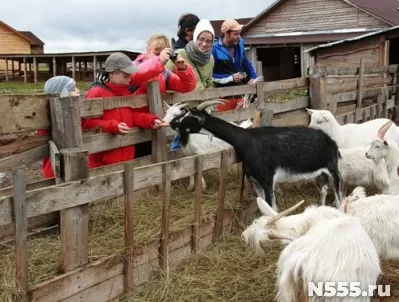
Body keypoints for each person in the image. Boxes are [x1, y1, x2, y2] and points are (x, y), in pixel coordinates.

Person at [83, 52, 167, 168]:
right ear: (112, 73)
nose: (129, 79)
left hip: (126, 157)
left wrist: (151, 120)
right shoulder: (96, 93)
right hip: (101, 161)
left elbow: (132, 115)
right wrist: (112, 126)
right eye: (126, 76)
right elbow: (87, 124)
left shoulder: (125, 92)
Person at [131, 33, 197, 157]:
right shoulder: (135, 65)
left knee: (151, 158)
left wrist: (182, 69)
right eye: (156, 52)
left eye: (163, 52)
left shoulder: (164, 73)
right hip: (132, 124)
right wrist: (159, 61)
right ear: (147, 50)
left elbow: (186, 87)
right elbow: (134, 77)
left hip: (153, 123)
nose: (160, 56)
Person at [166, 19, 215, 151]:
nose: (204, 44)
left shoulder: (210, 58)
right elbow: (167, 77)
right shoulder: (181, 54)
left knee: (195, 142)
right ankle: (174, 163)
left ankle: (192, 167)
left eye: (208, 41)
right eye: (201, 39)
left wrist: (209, 102)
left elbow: (209, 81)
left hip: (199, 109)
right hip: (183, 107)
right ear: (195, 37)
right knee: (180, 140)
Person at [38, 76, 81, 179]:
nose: (79, 91)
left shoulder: (75, 114)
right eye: (73, 89)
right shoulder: (46, 122)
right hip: (55, 172)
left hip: (74, 167)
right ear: (63, 95)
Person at [211, 19, 257, 111]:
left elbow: (246, 62)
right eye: (236, 34)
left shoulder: (240, 44)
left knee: (244, 120)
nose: (239, 37)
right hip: (222, 95)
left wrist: (253, 76)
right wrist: (230, 78)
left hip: (239, 91)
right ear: (226, 34)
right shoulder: (214, 50)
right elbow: (211, 76)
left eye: (239, 33)